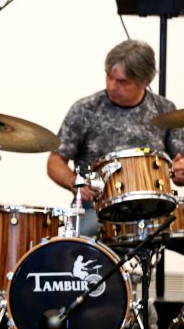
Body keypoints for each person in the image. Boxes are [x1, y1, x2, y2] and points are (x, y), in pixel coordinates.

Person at [47, 39, 184, 238]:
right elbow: (55, 161)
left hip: (152, 211)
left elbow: (180, 164)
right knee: (82, 239)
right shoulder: (86, 109)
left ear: (145, 81)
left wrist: (181, 172)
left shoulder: (164, 110)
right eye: (108, 77)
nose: (112, 86)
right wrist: (74, 183)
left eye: (122, 82)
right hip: (95, 208)